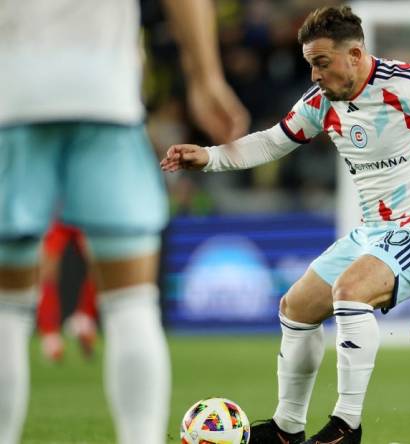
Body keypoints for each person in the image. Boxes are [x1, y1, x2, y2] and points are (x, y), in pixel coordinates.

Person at [160, 5, 410, 443]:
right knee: (296, 307)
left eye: (321, 63)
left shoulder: (406, 84)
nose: (314, 76)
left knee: (350, 292)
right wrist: (208, 157)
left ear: (356, 55)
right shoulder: (322, 103)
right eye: (309, 65)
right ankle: (287, 429)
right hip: (371, 234)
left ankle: (346, 426)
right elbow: (271, 142)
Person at [0, 0, 249, 442]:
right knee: (132, 301)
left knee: (6, 306)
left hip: (13, 101)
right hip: (104, 98)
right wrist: (206, 78)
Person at [37, 221, 99, 362]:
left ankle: (85, 320)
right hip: (57, 211)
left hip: (85, 211)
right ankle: (50, 333)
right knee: (48, 269)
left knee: (98, 263)